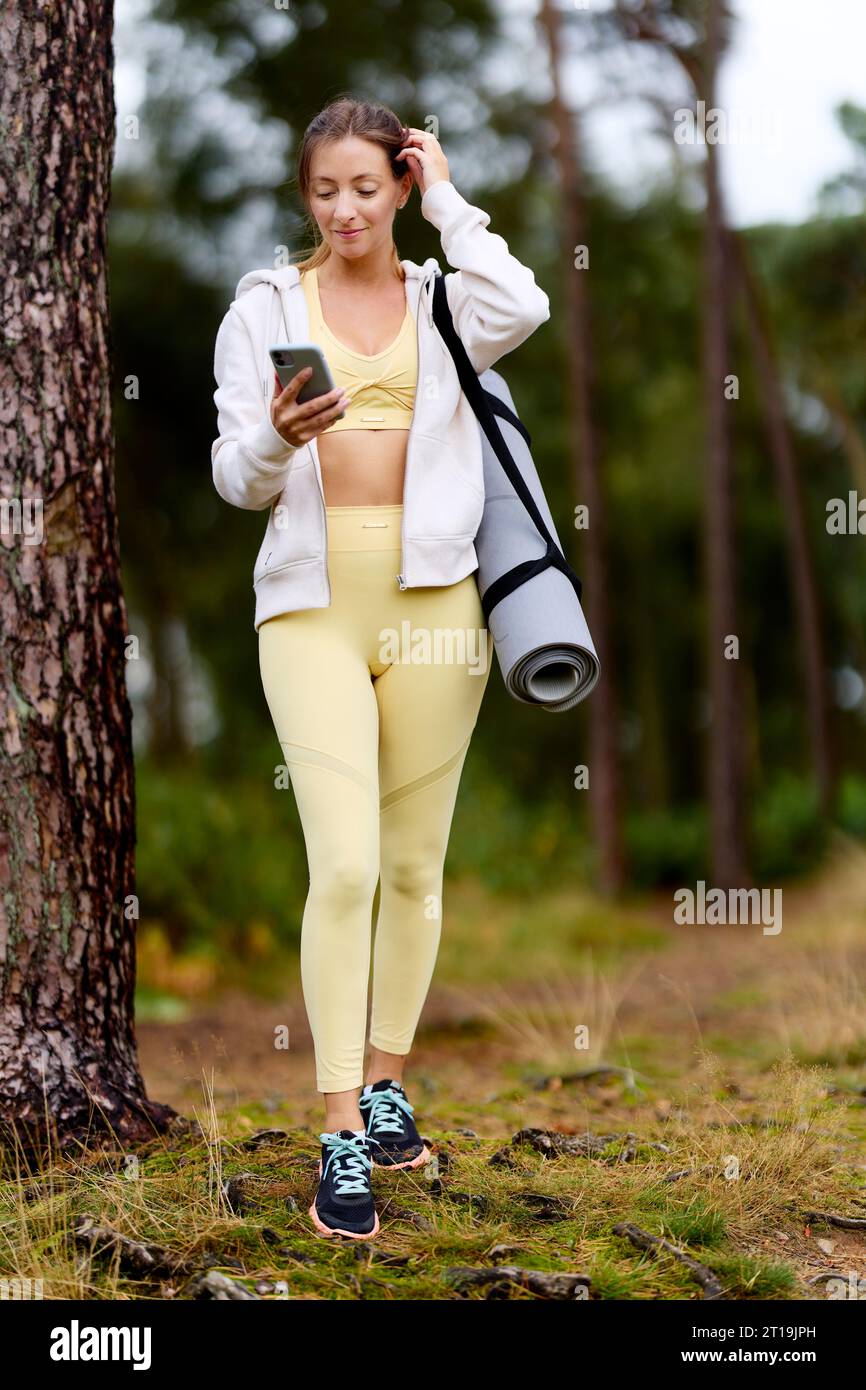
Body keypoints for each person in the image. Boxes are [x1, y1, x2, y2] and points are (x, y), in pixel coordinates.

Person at [211, 96, 550, 1239]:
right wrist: (275, 439)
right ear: (304, 197)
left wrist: (451, 199)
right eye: (324, 190)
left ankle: (392, 1083)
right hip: (309, 606)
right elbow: (232, 476)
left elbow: (527, 300)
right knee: (345, 867)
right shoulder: (265, 308)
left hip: (434, 610)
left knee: (411, 871)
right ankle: (339, 1130)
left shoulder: (445, 299)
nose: (345, 209)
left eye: (367, 186)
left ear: (399, 184)